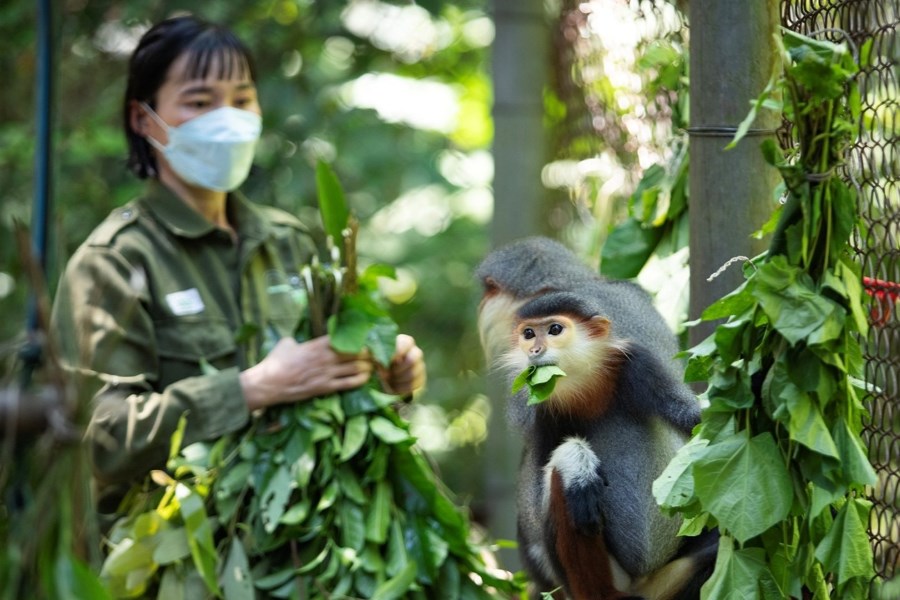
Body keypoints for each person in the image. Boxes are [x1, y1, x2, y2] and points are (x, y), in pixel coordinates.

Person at [50, 14, 426, 523]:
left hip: (294, 545)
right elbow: (99, 440)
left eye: (242, 99)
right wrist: (250, 389)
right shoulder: (116, 261)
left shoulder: (288, 242)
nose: (226, 119)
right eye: (200, 102)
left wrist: (388, 376)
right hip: (165, 560)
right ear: (144, 119)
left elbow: (330, 398)